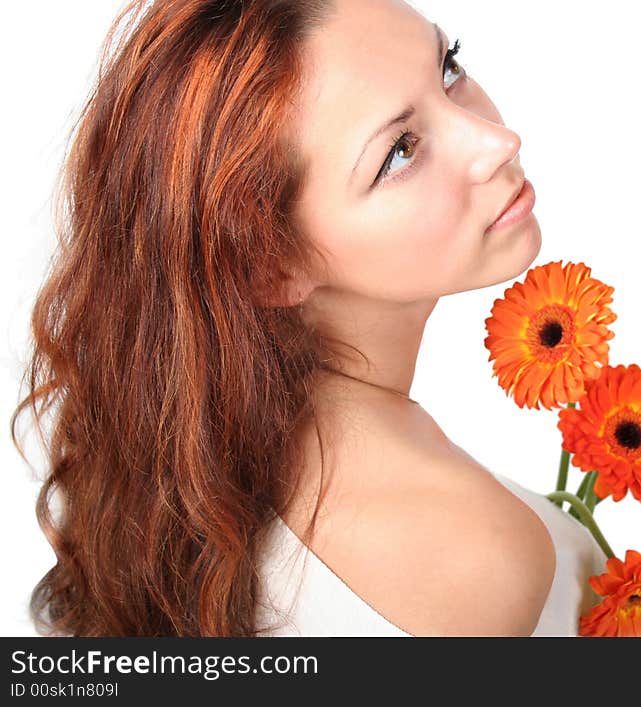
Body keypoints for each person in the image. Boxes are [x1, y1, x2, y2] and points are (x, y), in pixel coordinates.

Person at [11, 0, 604, 637]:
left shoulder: (215, 476)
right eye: (399, 151)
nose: (497, 141)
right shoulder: (466, 545)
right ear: (270, 267)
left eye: (449, 66)